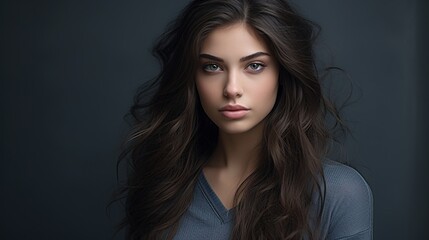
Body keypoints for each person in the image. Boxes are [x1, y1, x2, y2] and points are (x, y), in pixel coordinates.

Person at [117, 0, 373, 239]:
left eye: (254, 66)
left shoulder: (338, 193)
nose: (231, 88)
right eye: (213, 67)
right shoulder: (163, 186)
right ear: (192, 77)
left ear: (282, 73)